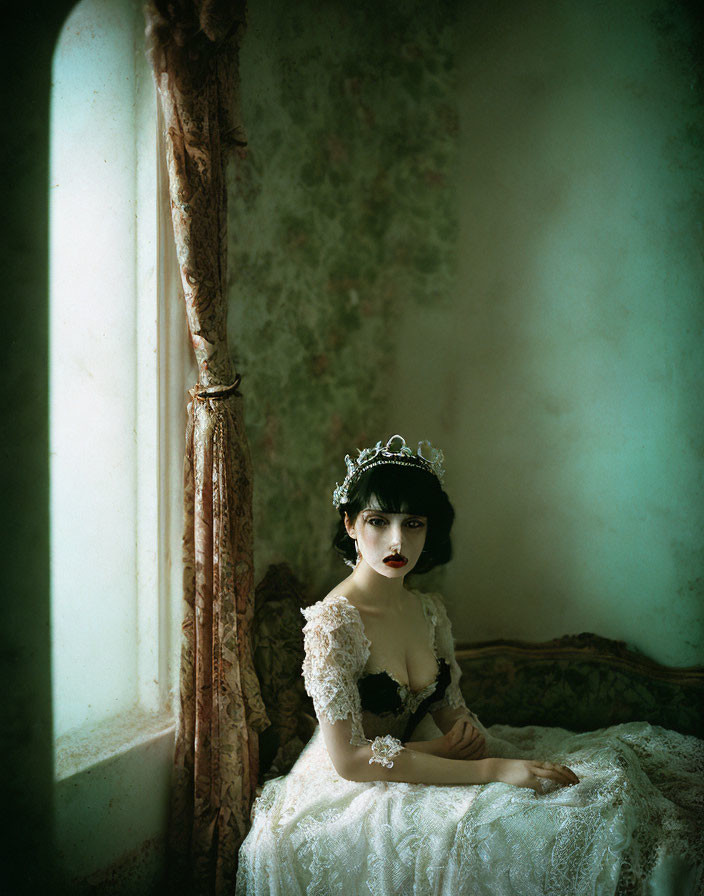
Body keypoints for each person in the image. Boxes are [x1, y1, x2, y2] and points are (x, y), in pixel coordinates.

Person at [236, 435, 702, 896]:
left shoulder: (428, 610)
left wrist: (476, 743)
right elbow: (352, 761)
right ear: (351, 524)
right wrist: (490, 770)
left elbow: (451, 711)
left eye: (413, 523)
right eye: (379, 521)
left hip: (432, 755)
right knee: (534, 830)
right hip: (358, 788)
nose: (397, 541)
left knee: (596, 785)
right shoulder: (332, 625)